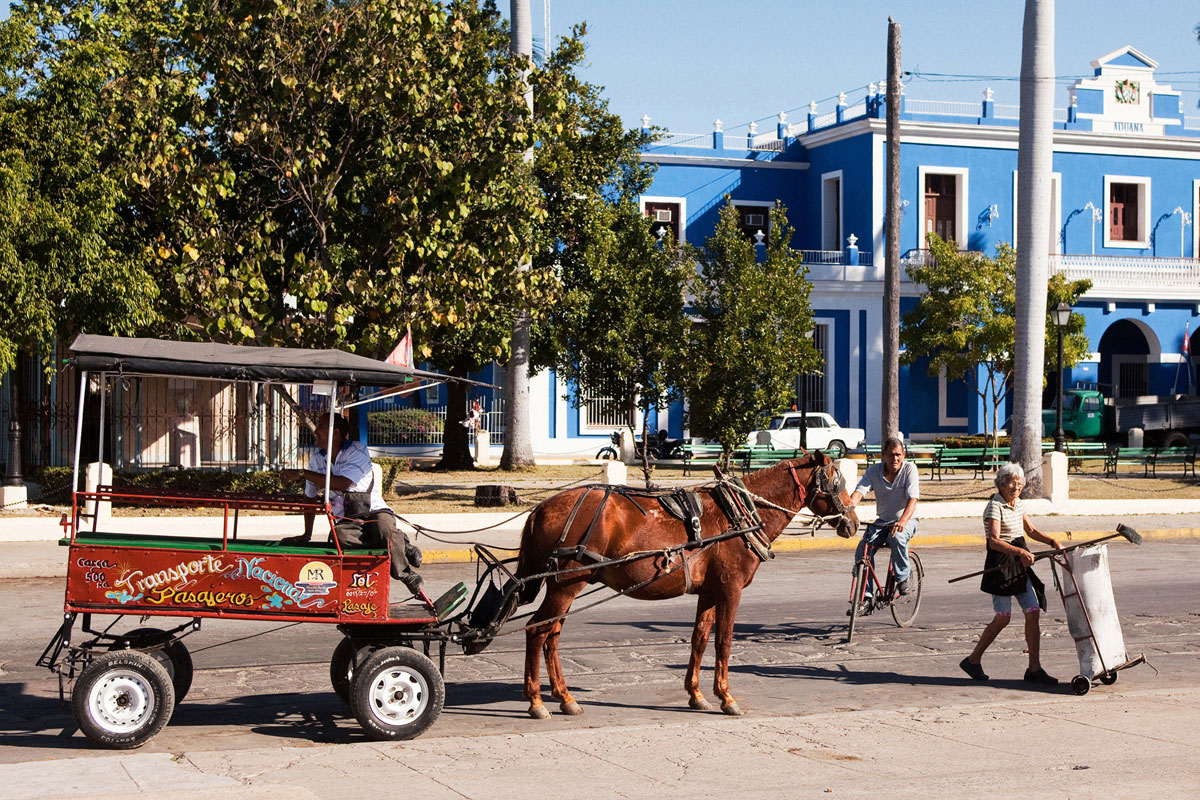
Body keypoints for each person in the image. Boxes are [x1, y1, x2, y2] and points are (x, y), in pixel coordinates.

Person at [280, 412, 428, 606]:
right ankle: (400, 542)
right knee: (339, 539)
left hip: (374, 511)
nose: (316, 431)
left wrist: (302, 474)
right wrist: (306, 534)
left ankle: (405, 573)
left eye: (321, 428)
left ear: (337, 433)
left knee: (383, 529)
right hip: (347, 520)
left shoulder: (356, 451)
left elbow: (343, 483)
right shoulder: (317, 460)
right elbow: (309, 498)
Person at [959, 462, 1062, 685]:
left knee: (1032, 611)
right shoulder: (994, 506)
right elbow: (994, 541)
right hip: (1002, 564)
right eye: (1011, 483)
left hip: (1019, 562)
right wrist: (1018, 552)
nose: (1016, 487)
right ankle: (973, 660)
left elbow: (1031, 530)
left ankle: (1034, 668)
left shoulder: (1019, 504)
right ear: (1001, 485)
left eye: (1019, 483)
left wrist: (1052, 541)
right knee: (1003, 617)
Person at [846, 436, 919, 609]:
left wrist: (902, 521)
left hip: (907, 520)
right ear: (883, 455)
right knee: (863, 548)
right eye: (891, 455)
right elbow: (859, 492)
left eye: (899, 455)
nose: (895, 459)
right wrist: (848, 509)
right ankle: (866, 597)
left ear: (904, 455)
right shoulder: (874, 471)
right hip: (883, 521)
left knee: (897, 538)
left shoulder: (910, 469)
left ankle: (903, 577)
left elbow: (913, 500)